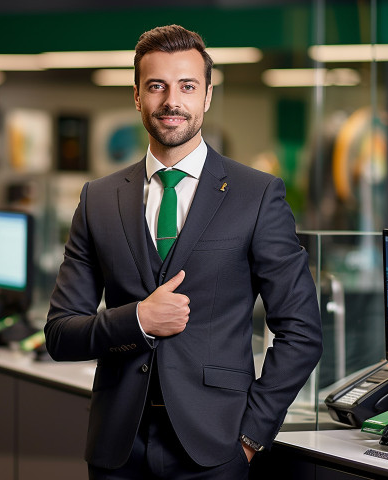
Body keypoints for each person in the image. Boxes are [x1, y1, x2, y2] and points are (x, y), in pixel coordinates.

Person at [45, 24, 323, 480]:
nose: (172, 100)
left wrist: (251, 437)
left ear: (208, 95)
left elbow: (302, 331)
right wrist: (138, 320)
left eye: (187, 86)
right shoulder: (99, 198)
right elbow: (60, 334)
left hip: (214, 450)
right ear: (137, 96)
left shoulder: (256, 195)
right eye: (157, 86)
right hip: (117, 449)